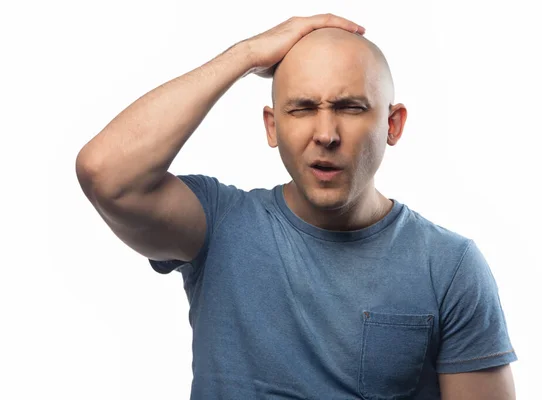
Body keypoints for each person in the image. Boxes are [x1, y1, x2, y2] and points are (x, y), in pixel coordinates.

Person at [76, 14, 517, 400]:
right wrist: (246, 55)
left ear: (392, 124)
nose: (325, 133)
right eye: (302, 109)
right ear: (273, 126)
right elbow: (106, 173)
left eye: (350, 107)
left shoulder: (449, 266)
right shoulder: (220, 225)